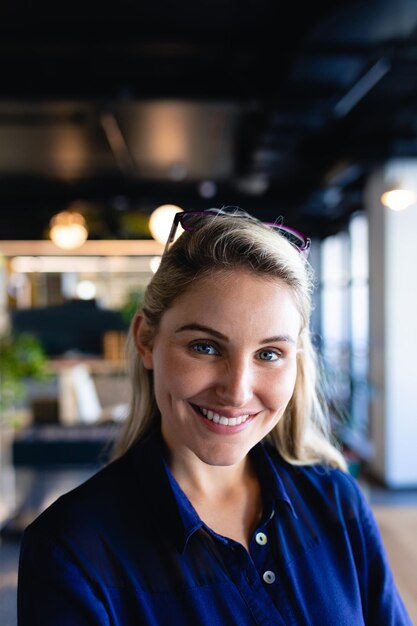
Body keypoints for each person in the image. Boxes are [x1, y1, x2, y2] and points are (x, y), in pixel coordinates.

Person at [17, 207, 412, 625]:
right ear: (147, 340)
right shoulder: (71, 550)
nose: (238, 390)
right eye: (206, 347)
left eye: (269, 354)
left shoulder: (337, 500)